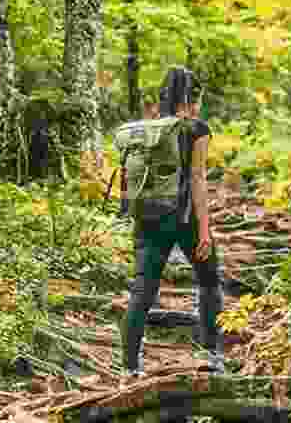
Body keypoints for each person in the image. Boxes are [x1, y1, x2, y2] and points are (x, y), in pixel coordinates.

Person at [122, 67, 224, 377]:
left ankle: (129, 366)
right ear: (192, 97)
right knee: (208, 280)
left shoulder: (149, 127)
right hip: (184, 218)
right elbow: (197, 179)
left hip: (148, 217)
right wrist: (204, 230)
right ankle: (211, 354)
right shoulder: (197, 128)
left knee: (142, 290)